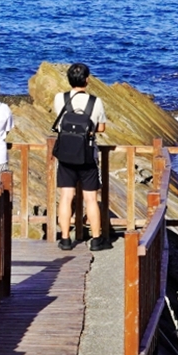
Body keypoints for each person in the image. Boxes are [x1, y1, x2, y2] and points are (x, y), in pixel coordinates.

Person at [53, 62, 110, 251]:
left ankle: (65, 238)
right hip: (87, 154)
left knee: (66, 196)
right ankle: (96, 239)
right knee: (91, 199)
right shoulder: (95, 101)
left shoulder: (60, 98)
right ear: (87, 80)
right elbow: (101, 128)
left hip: (66, 153)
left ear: (69, 79)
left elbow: (60, 124)